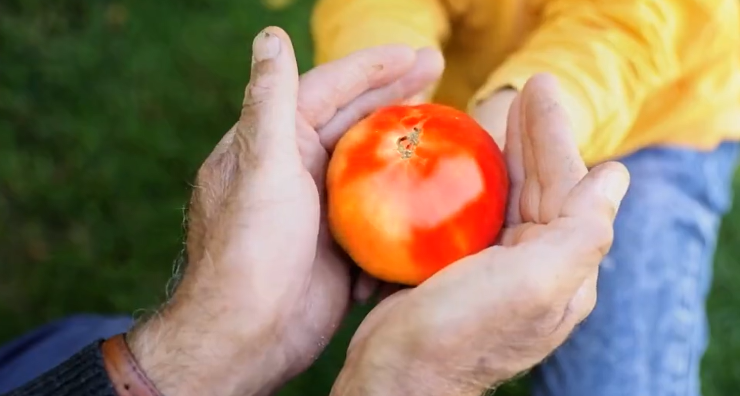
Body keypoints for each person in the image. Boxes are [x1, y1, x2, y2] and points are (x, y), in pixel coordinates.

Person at [0, 28, 628, 396]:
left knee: (78, 340)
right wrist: (404, 382)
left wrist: (194, 354)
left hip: (658, 117)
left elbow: (645, 14)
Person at [311, 0, 740, 395]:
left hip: (654, 125)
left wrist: (521, 116)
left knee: (615, 380)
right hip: (452, 119)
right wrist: (389, 75)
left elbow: (650, 1)